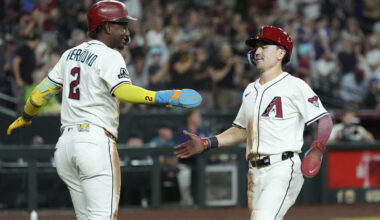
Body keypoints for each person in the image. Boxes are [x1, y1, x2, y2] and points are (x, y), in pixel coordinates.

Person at [6, 1, 201, 219]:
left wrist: (26, 116)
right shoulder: (110, 55)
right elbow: (123, 92)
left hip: (65, 148)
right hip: (93, 144)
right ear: (107, 27)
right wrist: (161, 96)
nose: (126, 32)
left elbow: (38, 95)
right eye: (122, 25)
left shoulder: (69, 54)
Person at [174, 26, 333, 220]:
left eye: (264, 46)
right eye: (256, 47)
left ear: (281, 52)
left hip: (282, 167)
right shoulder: (250, 90)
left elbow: (324, 119)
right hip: (254, 173)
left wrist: (318, 148)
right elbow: (241, 130)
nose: (257, 51)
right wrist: (208, 143)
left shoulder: (295, 85)